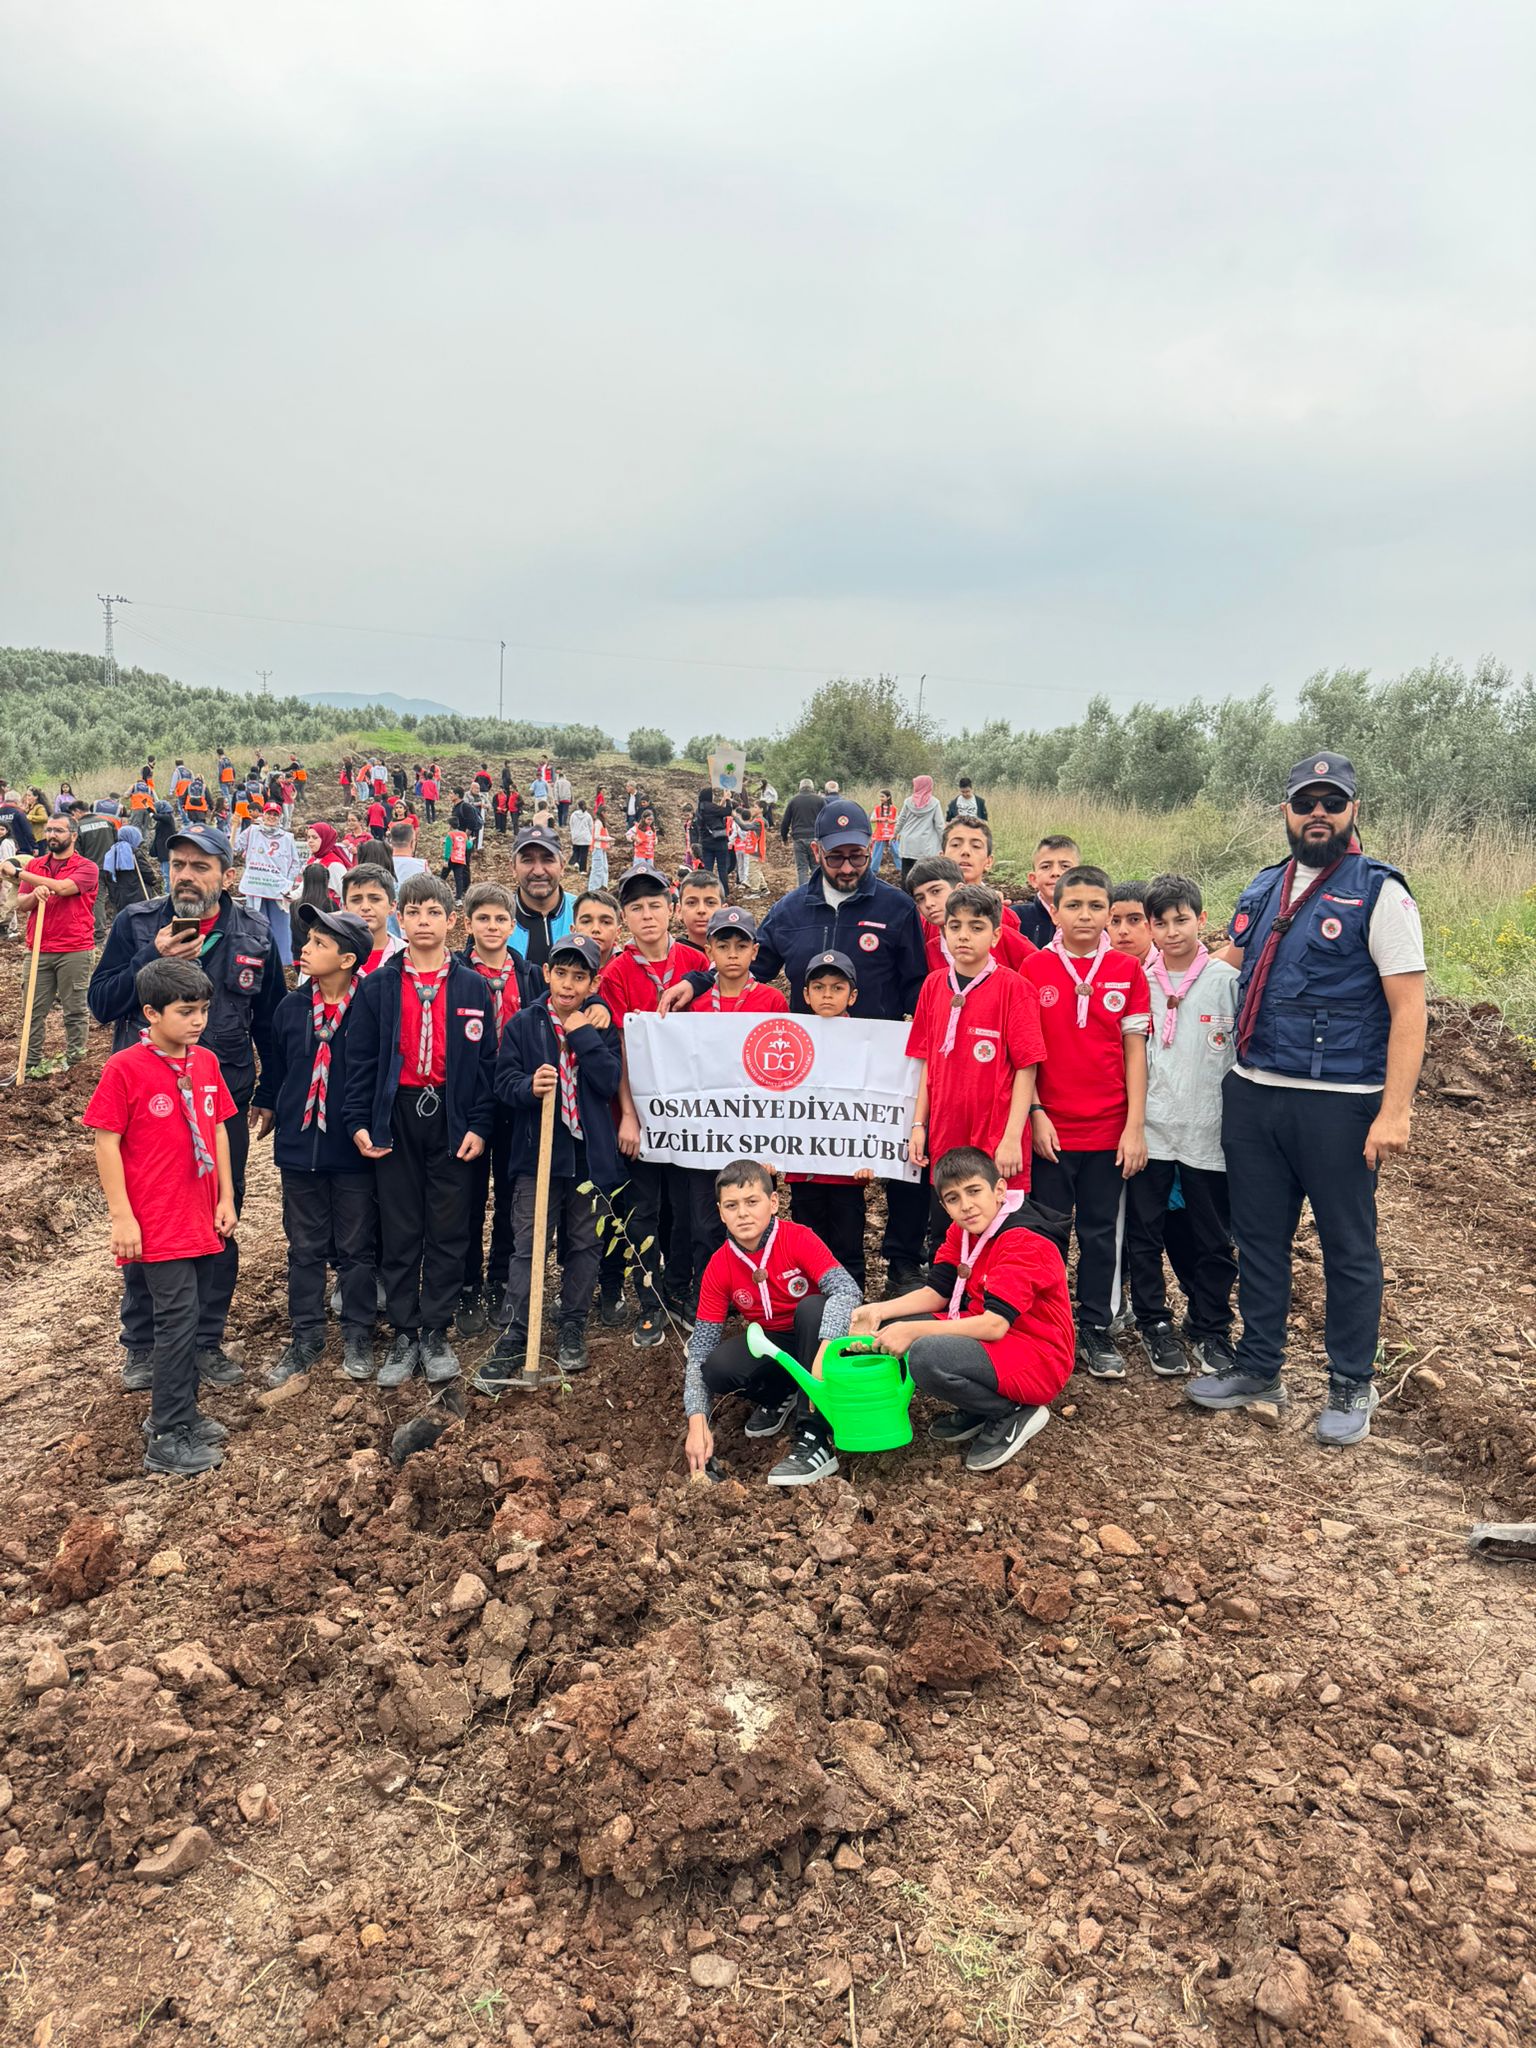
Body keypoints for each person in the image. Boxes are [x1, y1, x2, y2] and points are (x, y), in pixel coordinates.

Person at [1187, 754, 1427, 1447]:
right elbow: (1222, 971)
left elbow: (1409, 1010)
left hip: (1340, 1104)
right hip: (1256, 1096)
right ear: (1286, 811)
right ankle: (1260, 1366)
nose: (1317, 812)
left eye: (1332, 801)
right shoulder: (1264, 887)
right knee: (1258, 1240)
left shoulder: (1380, 892)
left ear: (1353, 810)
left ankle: (1352, 1381)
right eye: (1304, 801)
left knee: (1349, 1247)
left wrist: (1396, 1109)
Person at [662, 798, 931, 1291]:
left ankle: (901, 1267)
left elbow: (919, 985)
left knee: (894, 1172)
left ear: (872, 848)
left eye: (857, 855)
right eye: (836, 857)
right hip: (805, 1078)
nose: (848, 867)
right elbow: (747, 967)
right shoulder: (788, 911)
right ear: (816, 851)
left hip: (874, 1075)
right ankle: (812, 1285)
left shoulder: (896, 910)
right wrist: (698, 983)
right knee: (816, 1185)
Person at [90, 824, 282, 1389]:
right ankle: (144, 1344)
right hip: (147, 1109)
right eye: (179, 864)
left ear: (227, 876)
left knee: (219, 1218)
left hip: (222, 1105)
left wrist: (269, 1092)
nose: (187, 875)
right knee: (149, 1223)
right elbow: (101, 1003)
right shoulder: (137, 924)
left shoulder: (255, 934)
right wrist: (149, 958)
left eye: (202, 866)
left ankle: (204, 1340)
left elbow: (269, 1021)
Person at [84, 958, 239, 1476]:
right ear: (150, 1013)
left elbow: (216, 1130)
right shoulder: (124, 1068)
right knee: (175, 1321)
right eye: (186, 1011)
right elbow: (107, 1143)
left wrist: (225, 1197)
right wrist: (121, 1217)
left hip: (197, 1213)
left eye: (204, 1010)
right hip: (156, 1218)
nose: (198, 1021)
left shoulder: (206, 1063)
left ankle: (183, 1413)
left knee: (191, 1317)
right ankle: (168, 1433)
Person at [343, 874, 496, 1391]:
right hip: (398, 1114)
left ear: (452, 921)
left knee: (449, 1226)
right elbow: (360, 1059)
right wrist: (360, 1120)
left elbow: (487, 1065)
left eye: (435, 912)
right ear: (399, 919)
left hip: (451, 1117)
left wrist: (479, 1124)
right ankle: (404, 1330)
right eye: (414, 912)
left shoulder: (474, 986)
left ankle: (436, 1328)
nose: (424, 921)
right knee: (403, 1225)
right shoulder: (380, 985)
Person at [850, 1147, 1073, 1472]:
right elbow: (938, 1292)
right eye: (953, 1198)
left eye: (974, 1191)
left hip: (1038, 1355)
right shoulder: (963, 1230)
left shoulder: (1024, 1241)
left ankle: (1011, 1410)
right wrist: (879, 1310)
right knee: (899, 1323)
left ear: (999, 1190)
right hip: (994, 1334)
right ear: (942, 1205)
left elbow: (995, 1325)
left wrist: (912, 1331)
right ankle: (979, 1404)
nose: (966, 1206)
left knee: (925, 1354)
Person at [473, 935, 622, 1391]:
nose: (569, 983)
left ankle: (573, 1321)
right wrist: (527, 1086)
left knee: (584, 1243)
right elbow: (503, 1082)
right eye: (562, 973)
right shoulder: (523, 1024)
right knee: (529, 1243)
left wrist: (582, 1033)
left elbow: (608, 1079)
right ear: (547, 973)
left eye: (580, 976)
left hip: (587, 1154)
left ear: (592, 981)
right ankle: (518, 1333)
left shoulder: (599, 1025)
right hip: (538, 1153)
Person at [1021, 866, 1149, 1379]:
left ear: (1109, 913)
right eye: (1074, 906)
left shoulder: (1127, 971)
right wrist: (1034, 1114)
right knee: (1049, 1234)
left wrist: (1134, 1126)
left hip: (1108, 1131)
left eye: (1097, 907)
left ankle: (1095, 1327)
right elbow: (1023, 1055)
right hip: (1051, 1131)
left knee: (1101, 1235)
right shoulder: (1033, 969)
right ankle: (1051, 1330)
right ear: (1055, 909)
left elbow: (1135, 1053)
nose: (1086, 916)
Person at [251, 907, 378, 1386]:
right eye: (307, 939)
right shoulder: (290, 1008)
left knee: (356, 1246)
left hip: (352, 1148)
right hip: (300, 1147)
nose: (304, 948)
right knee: (303, 1246)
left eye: (320, 943)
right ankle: (305, 1336)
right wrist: (267, 1101)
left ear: (347, 959)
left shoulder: (372, 1006)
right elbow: (279, 1069)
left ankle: (358, 1333)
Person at [1121, 873, 1239, 1380]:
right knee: (1144, 1234)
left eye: (1181, 920)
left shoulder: (1226, 983)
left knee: (1213, 1238)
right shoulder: (1137, 985)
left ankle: (1210, 1325)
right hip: (1150, 1131)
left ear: (1202, 920)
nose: (1172, 932)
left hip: (1208, 1135)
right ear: (1149, 927)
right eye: (1161, 923)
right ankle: (1154, 1323)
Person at [681, 1159, 861, 1487]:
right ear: (721, 1212)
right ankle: (782, 1393)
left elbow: (848, 1291)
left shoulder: (799, 1238)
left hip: (820, 1340)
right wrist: (697, 1420)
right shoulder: (719, 1265)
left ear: (773, 1203)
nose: (743, 1214)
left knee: (811, 1308)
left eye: (752, 1202)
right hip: (776, 1345)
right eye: (732, 1206)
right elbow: (701, 1350)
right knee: (717, 1367)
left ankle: (816, 1438)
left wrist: (825, 1348)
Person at [602, 863, 709, 1345]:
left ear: (672, 908)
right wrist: (628, 1113)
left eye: (654, 905)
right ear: (625, 918)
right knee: (644, 1209)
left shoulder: (698, 962)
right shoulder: (618, 972)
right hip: (643, 1114)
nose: (647, 916)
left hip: (691, 1117)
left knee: (687, 1209)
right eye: (635, 908)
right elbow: (619, 1048)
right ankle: (650, 1300)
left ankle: (682, 1290)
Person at [907, 884, 1044, 1211]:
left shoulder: (1016, 989)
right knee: (949, 1224)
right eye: (955, 927)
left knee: (996, 1226)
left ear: (996, 936)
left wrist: (1012, 1137)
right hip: (946, 1131)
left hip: (995, 1135)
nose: (964, 936)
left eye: (976, 927)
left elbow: (1027, 1068)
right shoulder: (933, 985)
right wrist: (918, 1125)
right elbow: (927, 1060)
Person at [455, 881, 538, 1332]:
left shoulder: (530, 975)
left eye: (500, 918)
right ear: (468, 924)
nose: (491, 926)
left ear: (513, 925)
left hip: (516, 1101)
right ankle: (466, 1284)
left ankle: (501, 1279)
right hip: (467, 1102)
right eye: (482, 918)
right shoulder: (452, 973)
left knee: (512, 1198)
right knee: (466, 1197)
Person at [786, 950, 871, 1289]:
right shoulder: (789, 1037)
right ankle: (811, 1317)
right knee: (808, 1247)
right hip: (803, 1170)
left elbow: (877, 1104)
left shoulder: (869, 1042)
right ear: (806, 994)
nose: (827, 995)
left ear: (852, 995)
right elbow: (776, 1102)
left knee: (848, 1246)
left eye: (837, 988)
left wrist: (870, 1156)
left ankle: (853, 1317)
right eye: (818, 987)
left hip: (847, 1174)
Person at [7, 811, 100, 1079]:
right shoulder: (36, 866)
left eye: (58, 830)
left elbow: (62, 888)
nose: (51, 835)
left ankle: (75, 1063)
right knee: (31, 1011)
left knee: (74, 1009)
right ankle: (30, 1063)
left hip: (75, 949)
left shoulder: (87, 867)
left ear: (73, 835)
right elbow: (22, 905)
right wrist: (34, 894)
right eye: (48, 830)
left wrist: (17, 872)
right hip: (38, 948)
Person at [910, 850, 1036, 974]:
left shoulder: (999, 934)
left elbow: (1039, 966)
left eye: (936, 891)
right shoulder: (930, 950)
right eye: (920, 898)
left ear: (959, 889)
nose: (928, 903)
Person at [236, 803, 304, 967]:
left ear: (279, 817)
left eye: (275, 814)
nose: (272, 817)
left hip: (277, 890)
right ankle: (260, 957)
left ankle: (282, 962)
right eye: (269, 813)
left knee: (281, 924)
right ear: (263, 814)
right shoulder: (252, 831)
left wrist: (287, 883)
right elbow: (235, 848)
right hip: (256, 887)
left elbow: (295, 863)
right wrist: (234, 828)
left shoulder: (287, 837)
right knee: (258, 922)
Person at [507, 826, 577, 966]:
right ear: (513, 868)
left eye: (548, 860)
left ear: (562, 866)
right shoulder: (496, 919)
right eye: (527, 860)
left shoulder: (582, 912)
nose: (538, 871)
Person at [1014, 835, 1080, 949]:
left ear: (1080, 876)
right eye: (1046, 867)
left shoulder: (1095, 919)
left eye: (1065, 866)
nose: (1055, 873)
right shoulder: (1016, 918)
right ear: (1033, 879)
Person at [340, 863, 405, 975]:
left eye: (375, 899)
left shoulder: (408, 955)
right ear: (345, 907)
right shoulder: (327, 956)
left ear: (392, 906)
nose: (365, 907)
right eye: (356, 900)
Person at [73, 804, 117, 944]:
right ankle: (119, 926)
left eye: (74, 815)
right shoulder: (107, 821)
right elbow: (117, 842)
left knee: (98, 900)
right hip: (112, 866)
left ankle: (99, 932)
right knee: (117, 896)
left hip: (93, 869)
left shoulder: (79, 827)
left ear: (78, 811)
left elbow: (77, 853)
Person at [892, 775, 945, 879]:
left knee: (906, 873)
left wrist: (895, 833)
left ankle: (905, 894)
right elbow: (939, 825)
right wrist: (945, 842)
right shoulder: (934, 803)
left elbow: (901, 819)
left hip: (908, 842)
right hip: (925, 845)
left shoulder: (908, 801)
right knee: (924, 875)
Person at [100, 824, 158, 916]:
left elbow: (108, 876)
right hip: (139, 896)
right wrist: (153, 881)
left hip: (120, 897)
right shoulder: (134, 852)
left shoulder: (111, 853)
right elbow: (147, 872)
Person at [778, 778, 822, 888]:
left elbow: (785, 821)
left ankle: (803, 893)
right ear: (812, 788)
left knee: (802, 868)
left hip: (799, 838)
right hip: (815, 838)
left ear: (800, 788)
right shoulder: (820, 800)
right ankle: (817, 890)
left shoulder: (793, 801)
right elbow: (826, 818)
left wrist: (784, 837)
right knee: (816, 866)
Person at [694, 786, 733, 895]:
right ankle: (725, 892)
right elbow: (727, 811)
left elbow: (716, 811)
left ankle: (707, 891)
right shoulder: (712, 807)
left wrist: (723, 800)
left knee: (708, 869)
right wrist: (728, 799)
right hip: (719, 843)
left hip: (706, 843)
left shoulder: (699, 809)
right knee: (722, 869)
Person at [676, 870, 725, 951]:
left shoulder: (738, 956)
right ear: (679, 911)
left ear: (724, 911)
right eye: (691, 903)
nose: (701, 910)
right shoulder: (671, 957)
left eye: (710, 902)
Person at [573, 888, 623, 967]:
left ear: (618, 931)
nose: (595, 929)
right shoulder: (561, 967)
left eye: (606, 922)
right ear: (573, 930)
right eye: (586, 921)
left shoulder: (630, 970)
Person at [1108, 882, 1154, 963]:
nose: (1122, 931)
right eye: (1115, 921)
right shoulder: (1094, 970)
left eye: (1134, 920)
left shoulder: (1172, 966)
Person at [441, 818, 474, 900]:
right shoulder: (463, 834)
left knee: (442, 877)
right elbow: (468, 846)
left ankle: (436, 893)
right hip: (460, 859)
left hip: (451, 859)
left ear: (450, 826)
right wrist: (471, 841)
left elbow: (448, 848)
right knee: (459, 879)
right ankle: (458, 898)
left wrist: (445, 860)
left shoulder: (450, 835)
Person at [870, 789, 898, 874]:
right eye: (880, 796)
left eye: (882, 796)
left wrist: (891, 821)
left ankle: (900, 868)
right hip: (880, 833)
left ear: (888, 797)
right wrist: (880, 819)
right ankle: (873, 870)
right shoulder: (877, 808)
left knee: (896, 851)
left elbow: (898, 820)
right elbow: (872, 819)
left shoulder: (894, 809)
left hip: (891, 833)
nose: (881, 798)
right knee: (877, 853)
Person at [589, 802, 612, 890]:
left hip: (602, 848)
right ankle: (594, 888)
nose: (608, 815)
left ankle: (603, 886)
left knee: (604, 868)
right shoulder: (598, 822)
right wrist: (608, 839)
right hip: (598, 848)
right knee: (597, 870)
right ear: (603, 812)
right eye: (607, 812)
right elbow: (596, 836)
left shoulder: (602, 822)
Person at [568, 798, 593, 871]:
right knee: (584, 854)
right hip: (585, 837)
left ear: (577, 806)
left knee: (576, 850)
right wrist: (591, 836)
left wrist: (573, 833)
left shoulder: (573, 815)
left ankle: (576, 862)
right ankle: (582, 870)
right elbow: (591, 827)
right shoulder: (588, 816)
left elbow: (571, 824)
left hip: (576, 836)